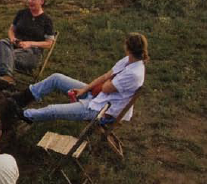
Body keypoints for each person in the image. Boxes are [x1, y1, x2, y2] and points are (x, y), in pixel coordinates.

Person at [11, 33, 148, 125]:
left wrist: (107, 80)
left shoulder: (134, 73)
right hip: (97, 94)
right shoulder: (128, 60)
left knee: (54, 109)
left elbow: (106, 87)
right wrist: (84, 89)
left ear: (128, 48)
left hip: (101, 109)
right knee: (56, 78)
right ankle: (23, 97)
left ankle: (24, 115)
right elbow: (106, 77)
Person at [0, 0, 55, 90]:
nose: (30, 1)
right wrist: (12, 38)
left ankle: (0, 80)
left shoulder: (47, 20)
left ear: (41, 1)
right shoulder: (22, 13)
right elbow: (11, 30)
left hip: (32, 53)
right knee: (2, 42)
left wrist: (30, 43)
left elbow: (49, 44)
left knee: (6, 55)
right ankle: (6, 79)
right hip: (16, 45)